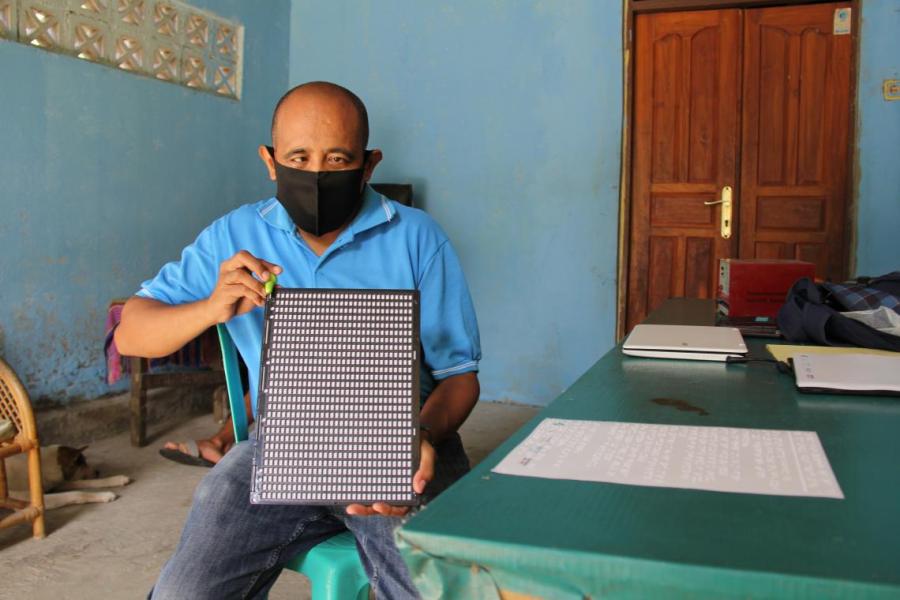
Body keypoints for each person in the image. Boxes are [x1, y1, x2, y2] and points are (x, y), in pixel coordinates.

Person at [115, 81, 482, 599]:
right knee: (187, 591)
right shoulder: (234, 234)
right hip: (280, 442)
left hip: (399, 436)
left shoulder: (417, 236)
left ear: (369, 164)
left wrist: (417, 437)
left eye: (337, 159)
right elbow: (131, 332)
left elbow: (460, 378)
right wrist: (210, 306)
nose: (316, 174)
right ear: (270, 161)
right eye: (298, 156)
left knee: (435, 589)